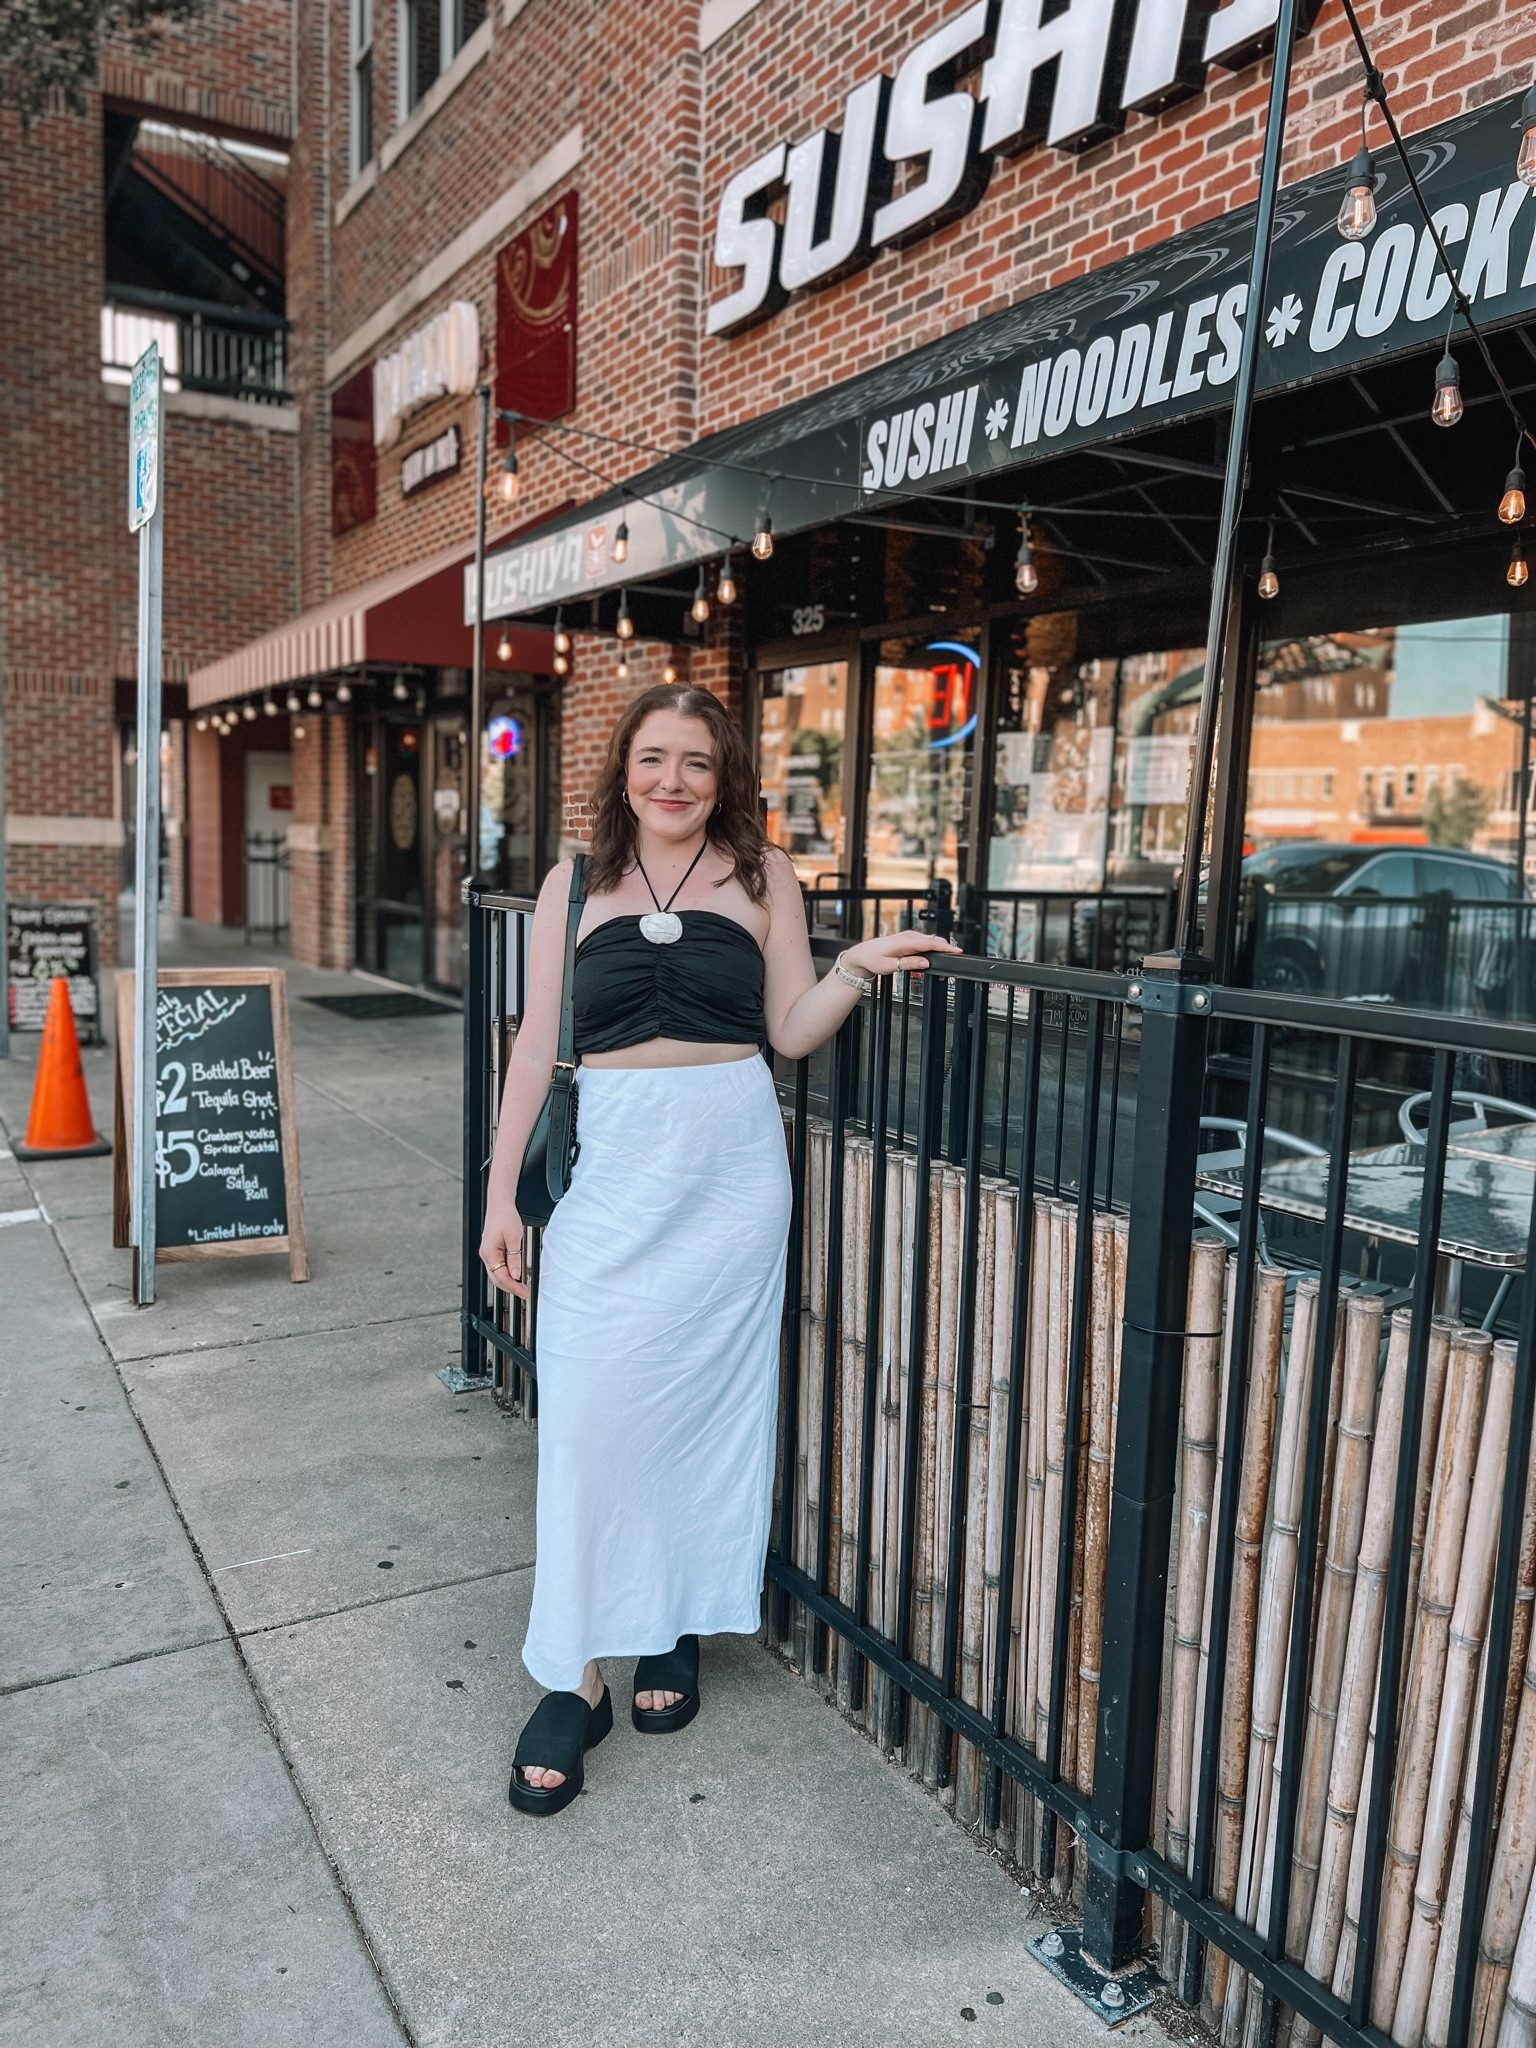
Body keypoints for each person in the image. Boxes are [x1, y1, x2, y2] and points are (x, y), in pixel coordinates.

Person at [479, 682, 957, 1815]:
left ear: (725, 773)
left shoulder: (765, 876)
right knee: (590, 1423)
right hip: (614, 1172)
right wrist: (501, 1191)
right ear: (623, 767)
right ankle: (575, 1674)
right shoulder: (569, 883)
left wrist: (851, 967)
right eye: (654, 757)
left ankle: (674, 1622)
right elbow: (537, 1040)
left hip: (732, 1173)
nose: (674, 781)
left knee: (704, 1415)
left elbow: (787, 1030)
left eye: (697, 761)